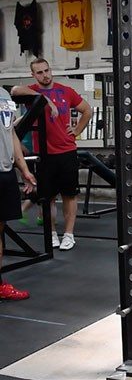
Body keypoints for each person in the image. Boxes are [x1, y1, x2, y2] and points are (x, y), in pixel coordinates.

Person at [11, 58, 92, 251]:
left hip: (66, 151)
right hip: (44, 154)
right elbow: (14, 90)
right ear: (33, 75)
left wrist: (77, 129)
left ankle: (69, 235)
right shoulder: (32, 92)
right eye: (39, 72)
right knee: (47, 198)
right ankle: (52, 233)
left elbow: (87, 110)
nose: (45, 75)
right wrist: (44, 99)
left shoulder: (66, 91)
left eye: (47, 70)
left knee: (69, 196)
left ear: (51, 70)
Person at [0, 87, 37, 300]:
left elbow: (10, 132)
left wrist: (23, 169)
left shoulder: (4, 95)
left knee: (0, 229)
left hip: (5, 172)